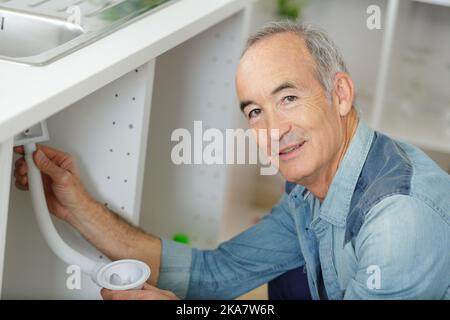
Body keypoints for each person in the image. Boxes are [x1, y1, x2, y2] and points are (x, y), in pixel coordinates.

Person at [14, 21, 450, 300]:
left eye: (289, 98)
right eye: (256, 111)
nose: (273, 130)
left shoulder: (399, 222)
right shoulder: (311, 185)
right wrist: (80, 210)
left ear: (340, 94)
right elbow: (217, 272)